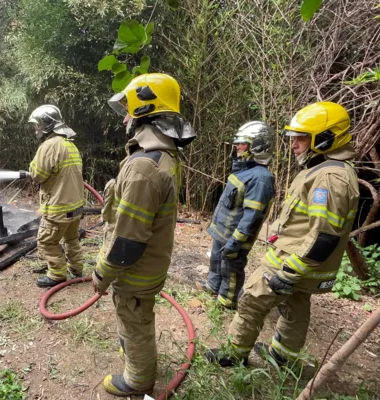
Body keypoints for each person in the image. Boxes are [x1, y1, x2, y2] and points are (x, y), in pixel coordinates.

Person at [206, 101, 359, 367]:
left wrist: (290, 271)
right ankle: (282, 356)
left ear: (324, 138)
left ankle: (233, 353)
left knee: (252, 300)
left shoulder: (329, 179)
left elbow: (323, 235)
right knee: (295, 306)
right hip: (303, 261)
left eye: (301, 138)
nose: (293, 144)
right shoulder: (325, 170)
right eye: (293, 137)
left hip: (293, 260)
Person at [92, 73, 195, 396]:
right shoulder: (162, 156)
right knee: (134, 315)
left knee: (134, 318)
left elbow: (128, 240)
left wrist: (102, 273)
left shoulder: (143, 168)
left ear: (144, 110)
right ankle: (136, 355)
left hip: (135, 270)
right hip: (150, 264)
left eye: (129, 109)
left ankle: (138, 379)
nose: (125, 117)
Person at [198, 121, 276, 309]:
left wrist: (236, 241)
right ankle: (213, 287)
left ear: (257, 146)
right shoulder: (245, 171)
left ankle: (227, 302)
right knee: (216, 261)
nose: (237, 147)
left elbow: (252, 217)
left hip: (234, 236)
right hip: (223, 232)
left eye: (243, 143)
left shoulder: (261, 178)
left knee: (231, 268)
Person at [26, 105, 86, 288]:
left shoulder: (49, 146)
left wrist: (31, 169)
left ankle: (57, 274)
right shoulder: (70, 144)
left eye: (37, 125)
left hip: (58, 207)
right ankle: (76, 268)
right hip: (75, 206)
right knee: (71, 239)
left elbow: (38, 175)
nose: (36, 129)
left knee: (46, 241)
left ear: (46, 125)